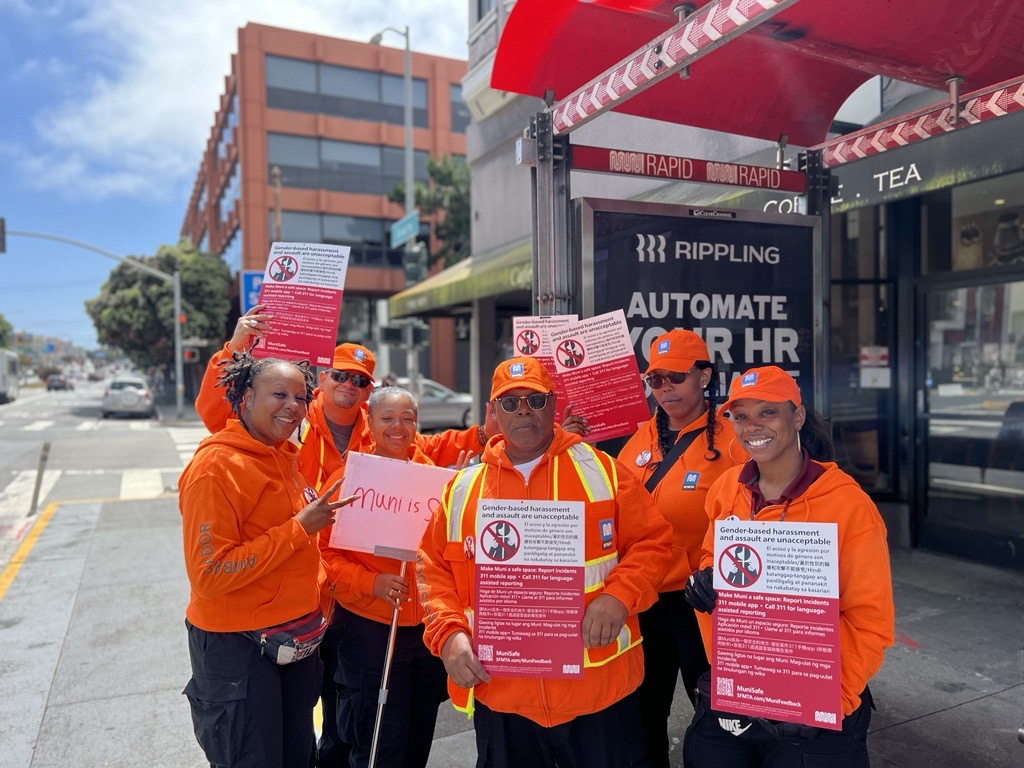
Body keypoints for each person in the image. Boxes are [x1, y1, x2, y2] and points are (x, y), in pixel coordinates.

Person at [417, 355, 674, 768]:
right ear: (494, 411)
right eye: (510, 402)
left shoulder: (604, 472)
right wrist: (448, 636)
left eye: (535, 401)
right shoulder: (462, 489)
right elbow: (432, 570)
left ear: (554, 405)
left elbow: (654, 543)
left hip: (598, 691)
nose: (523, 411)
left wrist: (619, 597)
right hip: (503, 692)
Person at [682, 365, 895, 768]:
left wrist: (828, 697)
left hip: (815, 707)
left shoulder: (847, 506)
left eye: (768, 412)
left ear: (797, 417)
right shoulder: (729, 488)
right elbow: (716, 556)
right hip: (738, 690)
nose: (752, 426)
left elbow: (871, 622)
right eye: (740, 416)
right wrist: (706, 581)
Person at [179, 354, 357, 768]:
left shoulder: (284, 457)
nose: (292, 406)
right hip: (238, 647)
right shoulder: (216, 467)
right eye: (279, 394)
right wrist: (299, 527)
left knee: (297, 755)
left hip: (292, 647)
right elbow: (210, 573)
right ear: (243, 398)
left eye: (300, 397)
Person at [617, 329, 746, 768]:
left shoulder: (734, 440)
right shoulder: (638, 442)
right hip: (644, 597)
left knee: (715, 708)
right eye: (655, 380)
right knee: (641, 710)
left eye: (676, 377)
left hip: (701, 602)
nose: (665, 388)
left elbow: (753, 516)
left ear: (704, 376)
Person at [321, 387, 449, 767]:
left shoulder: (436, 481)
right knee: (377, 743)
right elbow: (322, 554)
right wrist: (369, 583)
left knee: (419, 734)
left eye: (407, 418)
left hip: (425, 629)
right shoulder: (348, 478)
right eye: (387, 418)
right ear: (371, 425)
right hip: (369, 627)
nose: (399, 427)